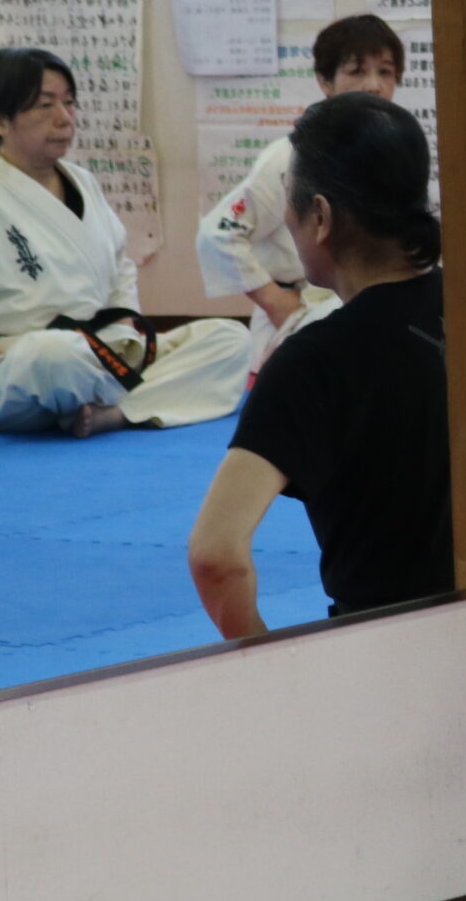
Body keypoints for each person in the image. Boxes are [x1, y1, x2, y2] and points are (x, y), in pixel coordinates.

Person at [187, 95, 450, 638]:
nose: (287, 218)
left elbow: (215, 555)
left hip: (385, 648)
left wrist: (267, 663)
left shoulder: (314, 361)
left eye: (291, 202)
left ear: (321, 218)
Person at [0, 48, 246, 438]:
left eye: (69, 103)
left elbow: (119, 262)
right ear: (0, 120)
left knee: (229, 339)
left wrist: (123, 324)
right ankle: (133, 398)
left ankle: (114, 413)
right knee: (56, 354)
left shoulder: (82, 182)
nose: (64, 118)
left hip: (100, 352)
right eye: (45, 105)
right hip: (14, 368)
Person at [197, 16, 407, 379]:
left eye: (385, 72)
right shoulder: (291, 157)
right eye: (357, 71)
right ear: (325, 81)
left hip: (367, 311)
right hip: (305, 317)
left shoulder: (396, 158)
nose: (374, 85)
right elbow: (218, 233)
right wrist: (275, 302)